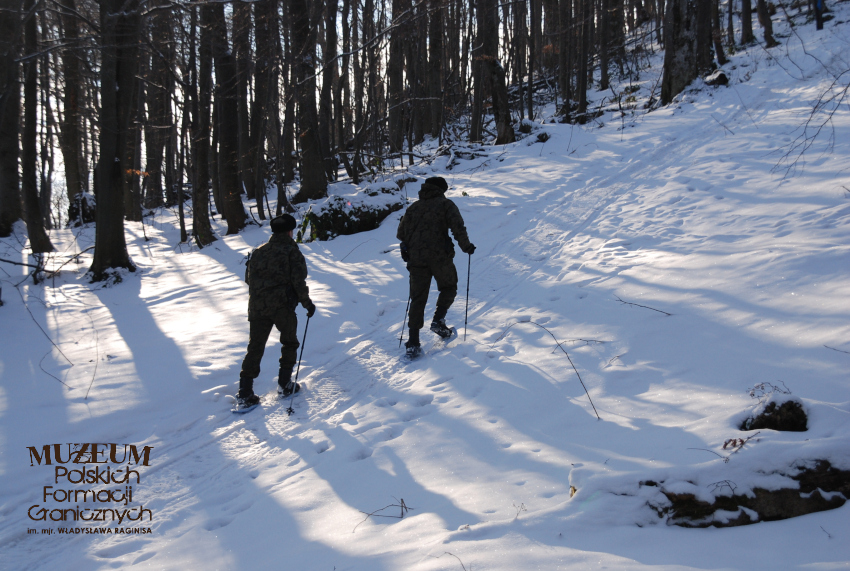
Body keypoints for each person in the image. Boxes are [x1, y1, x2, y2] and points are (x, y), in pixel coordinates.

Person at [236, 214, 316, 408]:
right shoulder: (291, 252)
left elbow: (248, 279)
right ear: (289, 232)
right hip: (282, 307)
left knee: (255, 347)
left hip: (257, 307)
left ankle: (245, 392)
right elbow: (298, 282)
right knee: (289, 342)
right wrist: (307, 304)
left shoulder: (258, 252)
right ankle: (284, 384)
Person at [396, 176, 475, 358]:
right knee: (449, 287)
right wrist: (466, 247)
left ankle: (413, 342)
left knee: (418, 298)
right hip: (440, 257)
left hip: (416, 259)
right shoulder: (446, 205)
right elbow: (458, 228)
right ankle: (438, 320)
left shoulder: (413, 207)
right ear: (441, 189)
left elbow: (401, 233)